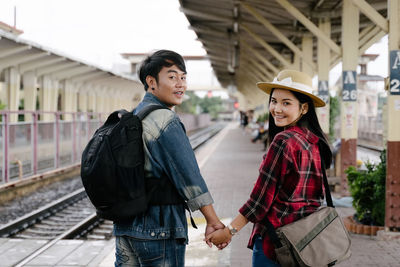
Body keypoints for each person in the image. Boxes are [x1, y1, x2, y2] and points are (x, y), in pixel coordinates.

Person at [205, 69, 332, 267]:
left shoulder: (283, 141)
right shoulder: (315, 142)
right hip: (306, 242)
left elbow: (260, 201)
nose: (277, 108)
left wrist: (229, 232)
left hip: (276, 244)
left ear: (304, 108)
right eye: (274, 101)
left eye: (286, 103)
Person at [113, 50, 225, 267]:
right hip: (159, 229)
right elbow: (188, 175)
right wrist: (212, 220)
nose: (180, 84)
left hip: (125, 225)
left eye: (183, 78)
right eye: (172, 77)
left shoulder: (135, 115)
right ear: (151, 82)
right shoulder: (165, 119)